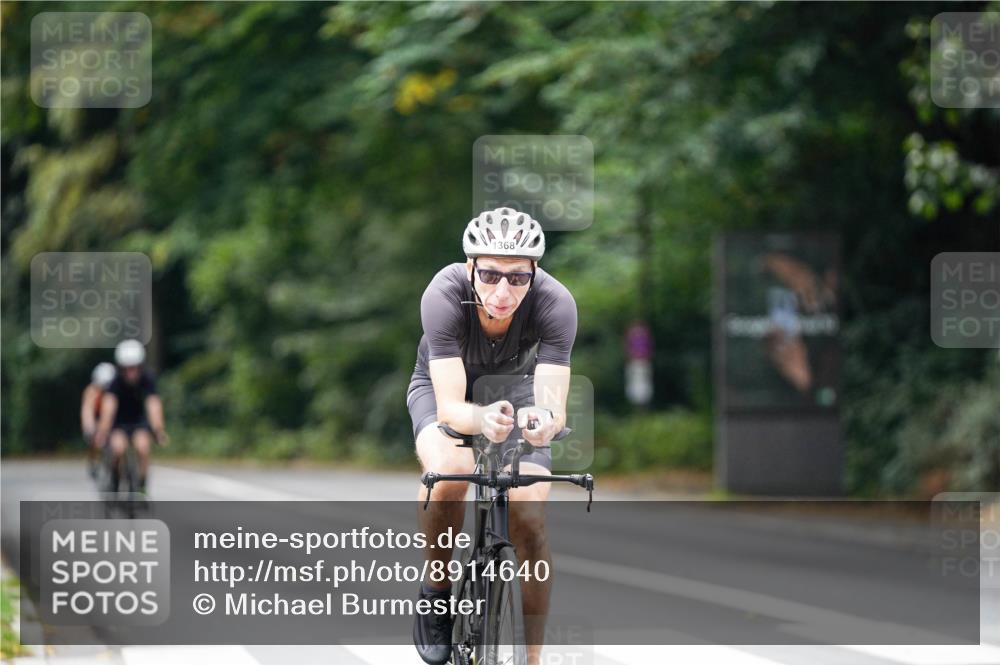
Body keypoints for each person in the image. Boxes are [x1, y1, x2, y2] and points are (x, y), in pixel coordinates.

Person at [408, 207, 577, 665]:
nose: (502, 292)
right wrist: (481, 421)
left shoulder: (556, 302)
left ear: (535, 272)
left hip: (518, 391)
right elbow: (451, 408)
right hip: (446, 388)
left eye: (518, 279)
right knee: (452, 472)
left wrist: (544, 420)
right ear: (470, 268)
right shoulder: (443, 294)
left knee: (529, 515)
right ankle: (437, 592)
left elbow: (554, 406)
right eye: (489, 275)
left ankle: (534, 656)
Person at [94, 339, 168, 494]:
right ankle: (115, 479)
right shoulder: (115, 382)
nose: (130, 372)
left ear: (140, 366)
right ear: (120, 368)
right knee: (117, 449)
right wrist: (103, 431)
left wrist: (158, 429)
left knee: (143, 449)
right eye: (126, 368)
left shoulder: (147, 379)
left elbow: (153, 404)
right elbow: (109, 407)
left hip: (138, 421)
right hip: (118, 422)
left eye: (134, 368)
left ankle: (141, 486)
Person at [81, 362, 116, 478]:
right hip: (97, 417)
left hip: (113, 417)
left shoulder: (117, 390)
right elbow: (87, 411)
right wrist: (90, 428)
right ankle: (94, 460)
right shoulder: (91, 391)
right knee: (95, 439)